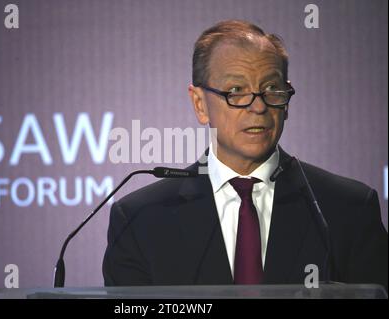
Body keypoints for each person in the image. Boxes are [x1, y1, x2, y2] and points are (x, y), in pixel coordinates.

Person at [102, 20, 388, 291]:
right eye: (236, 91)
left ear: (286, 102)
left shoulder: (348, 209)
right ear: (200, 104)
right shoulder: (140, 219)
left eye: (272, 89)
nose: (258, 107)